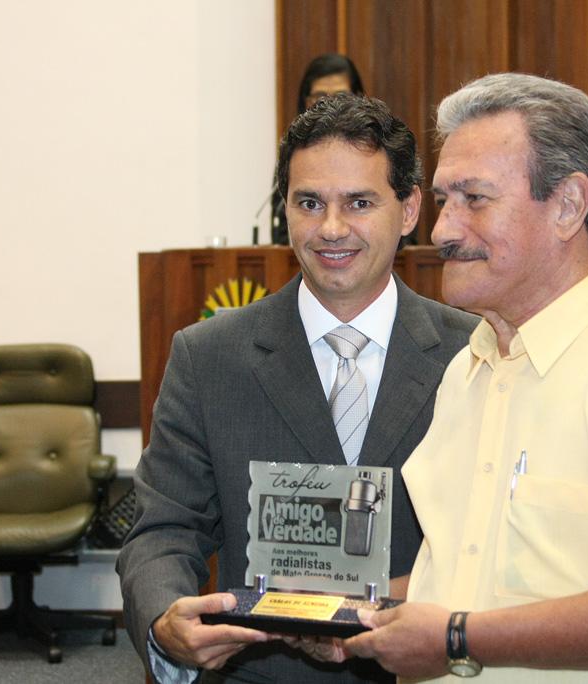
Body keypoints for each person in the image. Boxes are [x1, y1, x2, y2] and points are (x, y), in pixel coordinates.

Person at [338, 73, 588, 681]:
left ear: (568, 206)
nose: (443, 230)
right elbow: (460, 580)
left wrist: (455, 638)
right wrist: (345, 616)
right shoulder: (466, 373)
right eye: (445, 200)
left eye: (475, 199)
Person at [118, 93, 478, 683]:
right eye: (309, 203)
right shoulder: (208, 358)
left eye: (359, 203)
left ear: (410, 209)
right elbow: (165, 528)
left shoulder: (474, 354)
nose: (331, 229)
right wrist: (164, 622)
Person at [272, 53, 366, 245]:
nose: (330, 105)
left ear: (359, 98)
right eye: (320, 97)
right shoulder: (294, 156)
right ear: (306, 102)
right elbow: (281, 234)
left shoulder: (380, 153)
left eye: (341, 96)